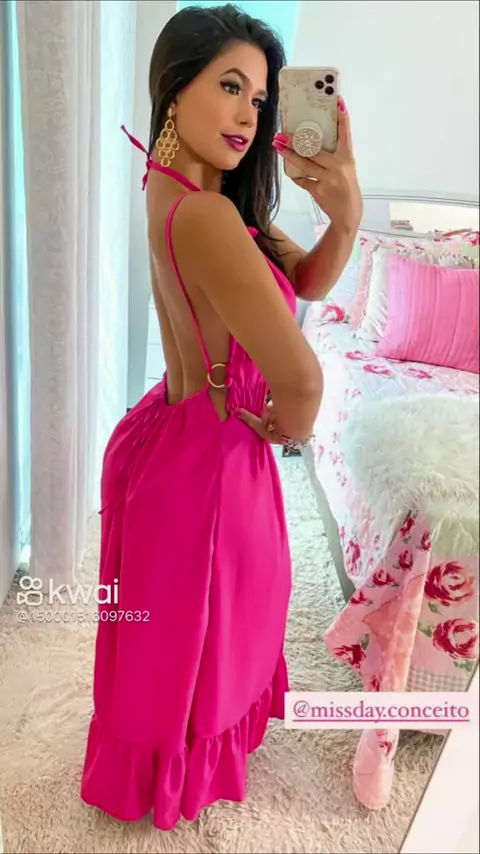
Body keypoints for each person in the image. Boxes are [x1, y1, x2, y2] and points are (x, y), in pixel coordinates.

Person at [80, 3, 362, 831]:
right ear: (176, 89)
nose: (248, 113)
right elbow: (301, 378)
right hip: (211, 455)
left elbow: (306, 280)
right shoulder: (208, 215)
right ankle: (176, 770)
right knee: (216, 617)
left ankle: (161, 755)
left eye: (260, 98)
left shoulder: (180, 187)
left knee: (174, 629)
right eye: (230, 86)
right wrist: (291, 425)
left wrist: (345, 209)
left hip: (169, 433)